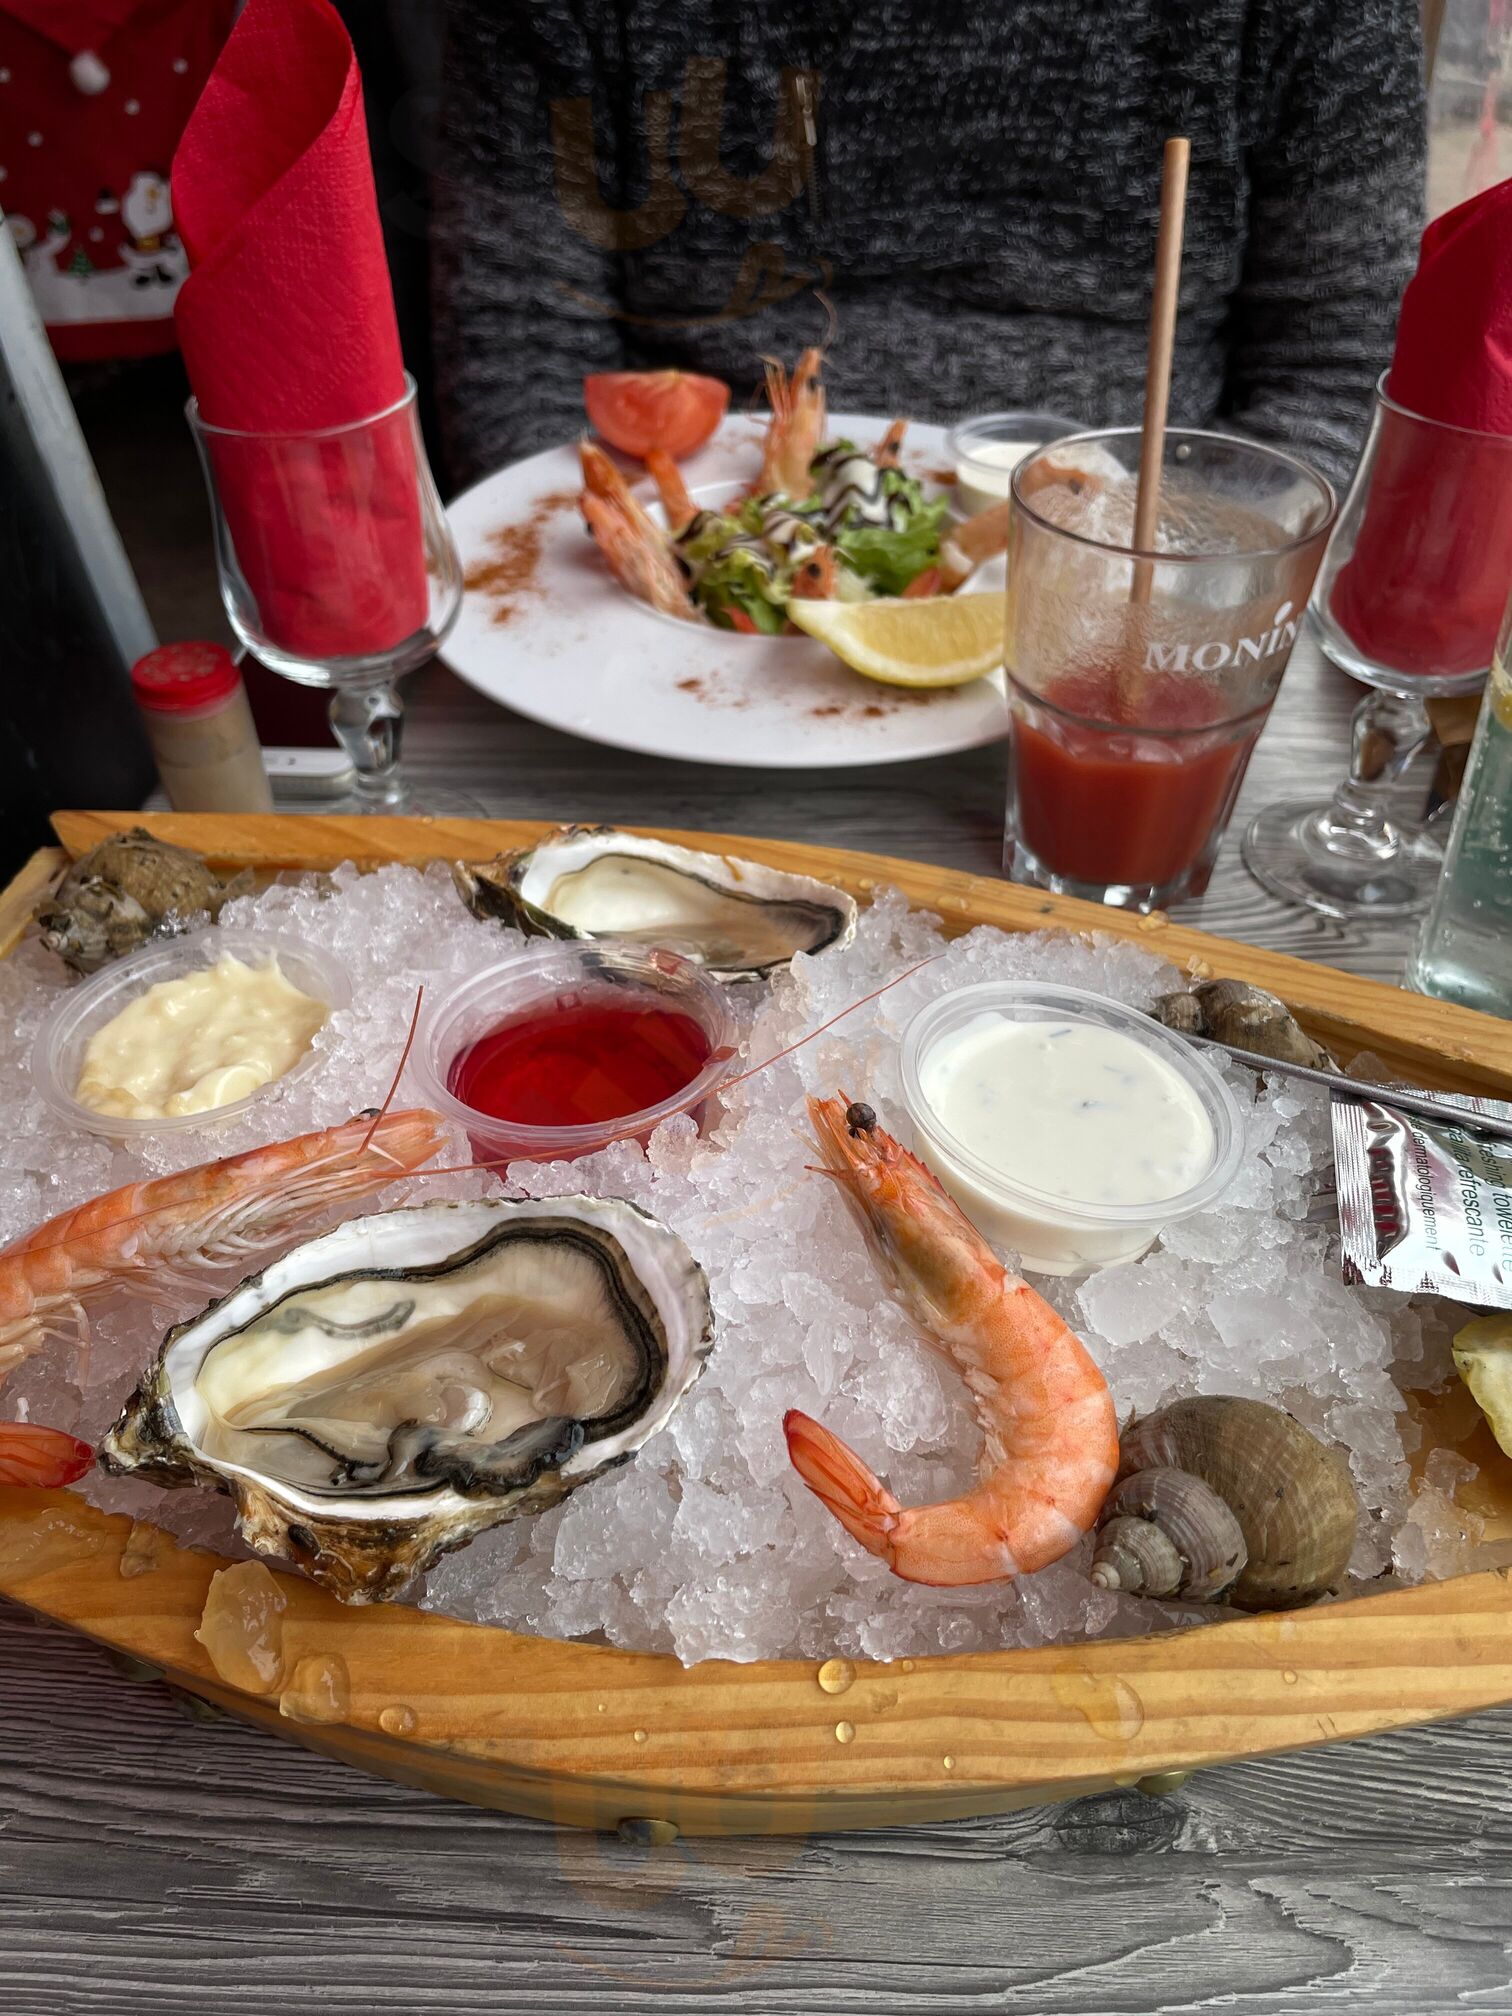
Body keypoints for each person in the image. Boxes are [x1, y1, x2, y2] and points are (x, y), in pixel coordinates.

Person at [429, 2, 1426, 493]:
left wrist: (1168, 570)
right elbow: (516, 355)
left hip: (1143, 587)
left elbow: (1342, 379)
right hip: (665, 579)